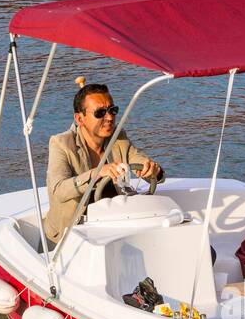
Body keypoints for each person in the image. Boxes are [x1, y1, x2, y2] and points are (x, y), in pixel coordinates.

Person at [43, 78, 165, 242]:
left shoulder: (118, 137)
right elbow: (58, 191)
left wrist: (152, 170)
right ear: (80, 119)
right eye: (100, 113)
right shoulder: (61, 144)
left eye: (112, 110)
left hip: (111, 226)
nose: (109, 118)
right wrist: (98, 172)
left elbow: (139, 159)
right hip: (69, 236)